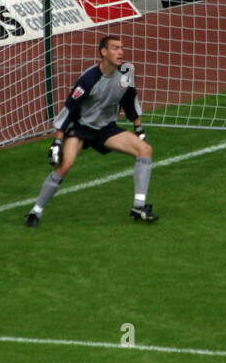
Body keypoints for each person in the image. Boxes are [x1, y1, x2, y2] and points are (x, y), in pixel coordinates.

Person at [25, 35, 157, 225]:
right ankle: (35, 212)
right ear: (103, 52)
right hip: (80, 128)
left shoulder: (127, 70)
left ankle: (139, 206)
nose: (121, 52)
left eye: (121, 48)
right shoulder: (88, 79)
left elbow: (130, 99)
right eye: (115, 48)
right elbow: (69, 109)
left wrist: (138, 127)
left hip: (105, 128)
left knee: (145, 150)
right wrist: (57, 141)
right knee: (65, 165)